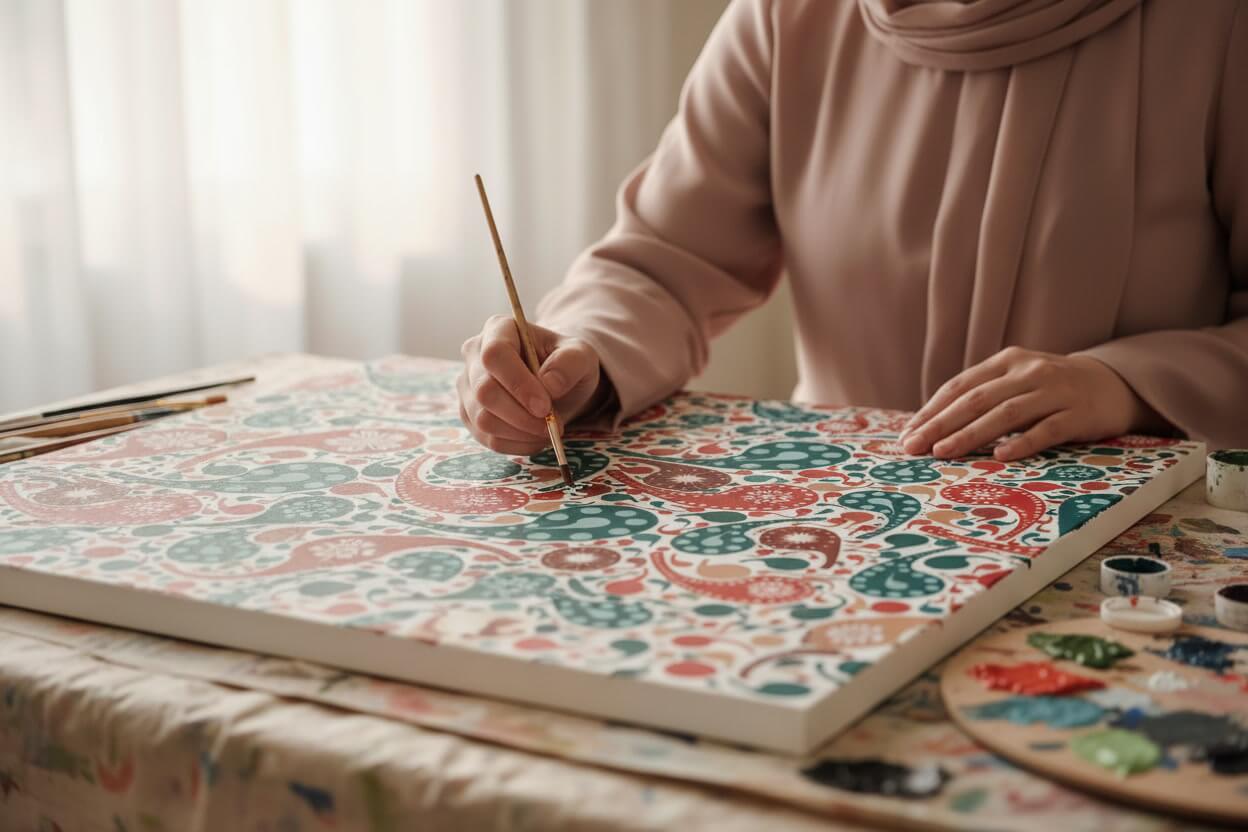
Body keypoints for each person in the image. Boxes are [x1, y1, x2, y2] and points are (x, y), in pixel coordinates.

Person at [457, 0, 1247, 462]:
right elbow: (663, 263)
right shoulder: (788, 15)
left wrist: (1127, 385)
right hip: (843, 553)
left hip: (1130, 573)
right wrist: (570, 366)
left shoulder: (1218, 26)